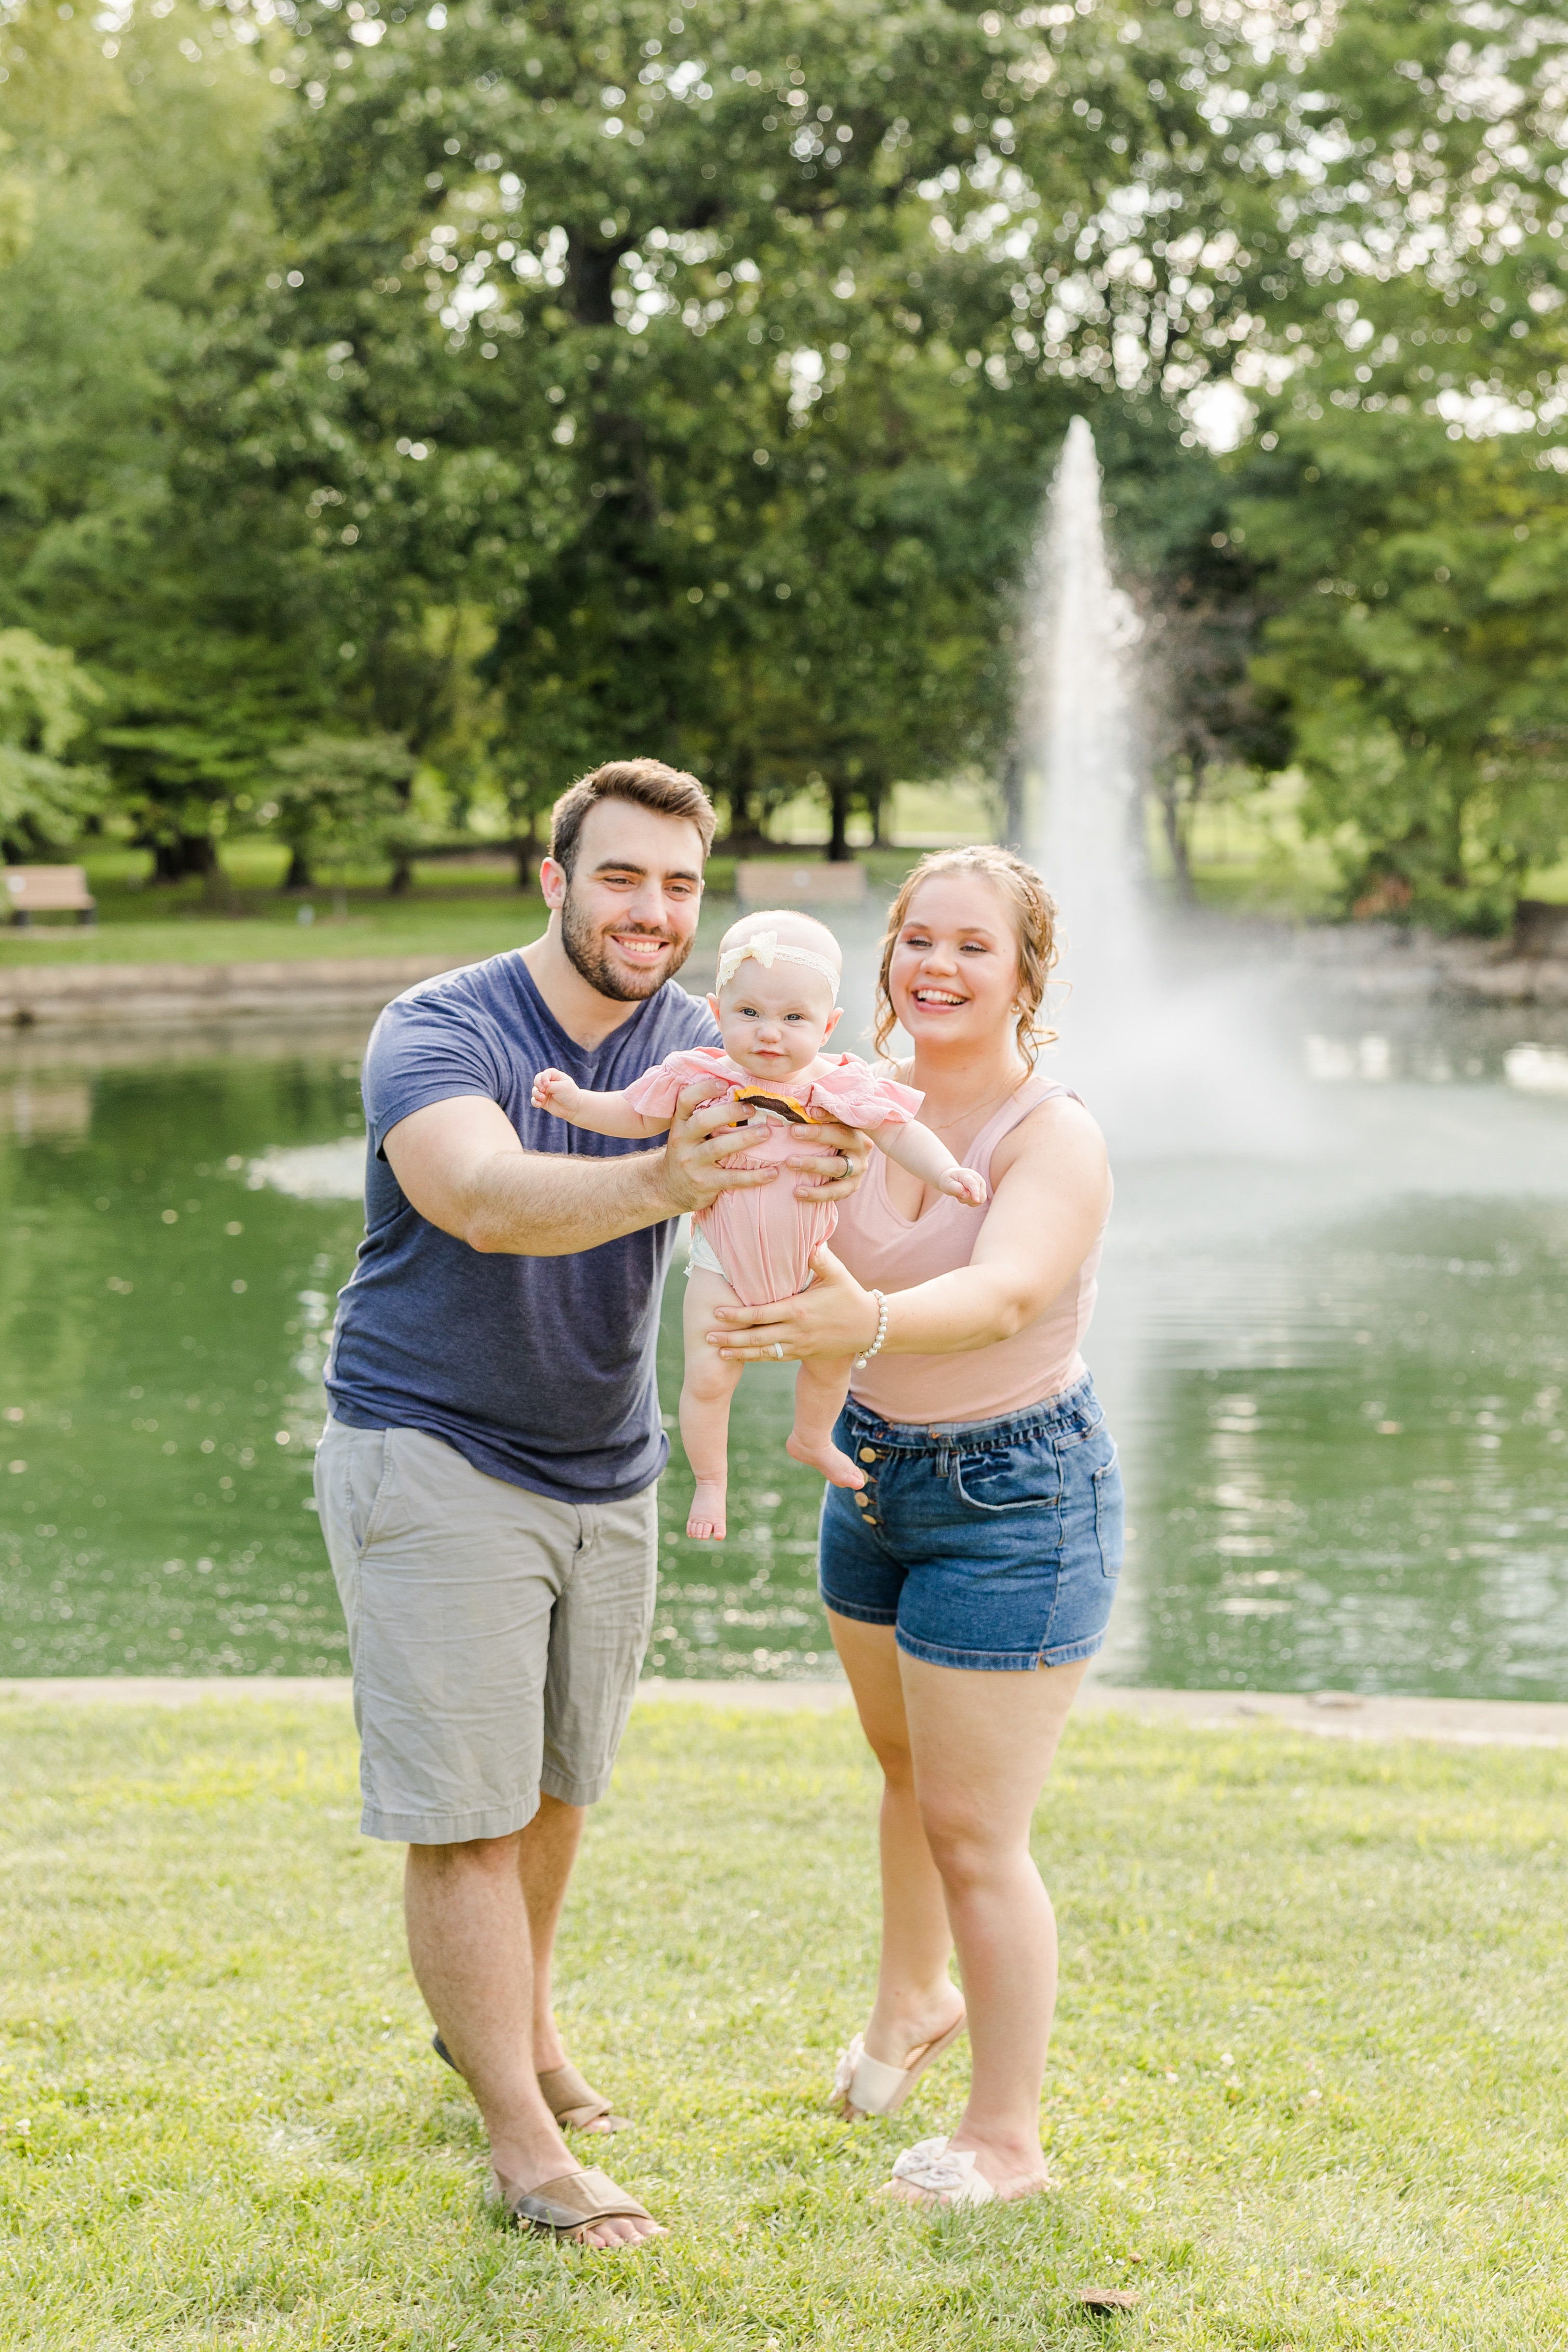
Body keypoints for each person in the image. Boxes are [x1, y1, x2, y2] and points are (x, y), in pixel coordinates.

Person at [313, 759, 869, 2249]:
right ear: (554, 880)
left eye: (680, 883)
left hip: (607, 1460)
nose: (654, 909)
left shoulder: (717, 1032)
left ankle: (519, 2032)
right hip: (433, 1444)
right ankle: (525, 2143)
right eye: (622, 876)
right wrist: (670, 1178)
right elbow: (483, 1195)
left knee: (560, 1785)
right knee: (470, 1814)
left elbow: (810, 1197)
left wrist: (835, 1209)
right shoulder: (441, 1026)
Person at [703, 844, 1122, 2210]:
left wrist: (862, 1321)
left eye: (972, 945)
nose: (936, 965)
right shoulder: (844, 1101)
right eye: (915, 939)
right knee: (904, 1773)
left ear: (1022, 974)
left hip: (1016, 1491)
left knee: (975, 1829)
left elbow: (1005, 1293)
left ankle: (1005, 2139)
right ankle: (909, 2000)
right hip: (870, 1469)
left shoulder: (1046, 1133)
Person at [531, 907, 986, 1540]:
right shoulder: (703, 1078)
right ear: (717, 1013)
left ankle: (811, 1437)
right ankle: (711, 1484)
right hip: (722, 1264)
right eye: (750, 1014)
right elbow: (634, 1113)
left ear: (827, 1026)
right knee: (710, 1378)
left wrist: (945, 1173)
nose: (770, 1034)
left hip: (806, 1264)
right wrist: (575, 1102)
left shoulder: (835, 1088)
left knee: (834, 1359)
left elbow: (899, 1132)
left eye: (794, 1019)